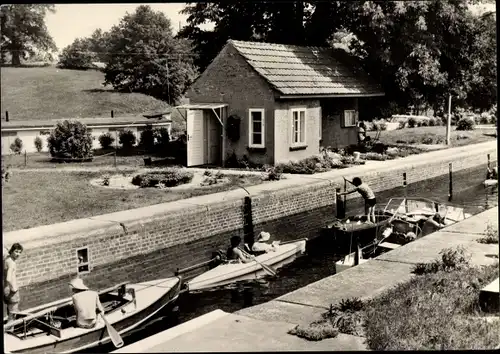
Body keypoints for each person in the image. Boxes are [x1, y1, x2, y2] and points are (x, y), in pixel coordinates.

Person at [4, 243, 23, 323]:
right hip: (11, 291)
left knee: (9, 310)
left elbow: (7, 251)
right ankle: (9, 330)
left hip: (5, 290)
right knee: (13, 313)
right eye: (16, 252)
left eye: (19, 252)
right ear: (12, 251)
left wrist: (10, 250)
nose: (18, 254)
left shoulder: (7, 259)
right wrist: (14, 289)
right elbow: (8, 278)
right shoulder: (11, 264)